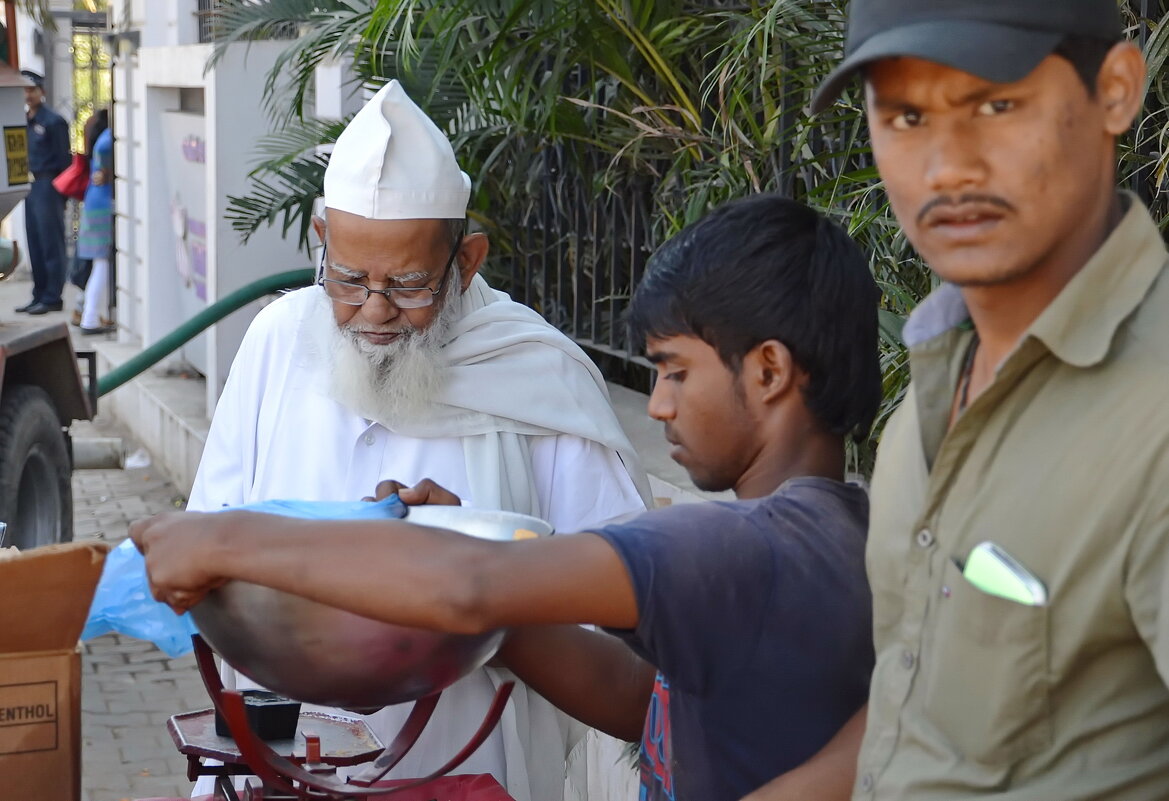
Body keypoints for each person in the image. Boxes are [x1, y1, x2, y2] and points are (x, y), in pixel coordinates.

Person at [133, 192, 882, 801]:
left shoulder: (737, 548)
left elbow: (466, 589)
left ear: (769, 371)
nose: (654, 406)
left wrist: (225, 540)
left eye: (675, 371)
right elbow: (637, 702)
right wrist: (486, 592)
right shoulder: (845, 534)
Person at [184, 79, 652, 801]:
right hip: (283, 760)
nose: (373, 310)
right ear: (320, 243)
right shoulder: (279, 342)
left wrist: (478, 577)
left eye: (407, 284)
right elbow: (211, 541)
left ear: (464, 262)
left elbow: (624, 632)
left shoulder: (540, 376)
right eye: (347, 278)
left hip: (465, 766)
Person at [747, 1, 1169, 800]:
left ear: (1114, 90)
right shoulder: (935, 386)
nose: (945, 168)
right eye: (905, 117)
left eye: (995, 105)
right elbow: (922, 712)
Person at [14, 69, 70, 315]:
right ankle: (38, 293)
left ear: (42, 92)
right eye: (24, 90)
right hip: (30, 185)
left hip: (49, 184)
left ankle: (52, 296)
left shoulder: (53, 122)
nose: (28, 95)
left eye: (32, 90)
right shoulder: (24, 121)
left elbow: (63, 161)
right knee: (34, 241)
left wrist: (61, 193)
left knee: (51, 243)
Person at [77, 109, 113, 334]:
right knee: (102, 262)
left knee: (100, 262)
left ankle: (90, 312)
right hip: (103, 204)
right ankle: (89, 317)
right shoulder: (109, 140)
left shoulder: (100, 138)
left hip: (94, 201)